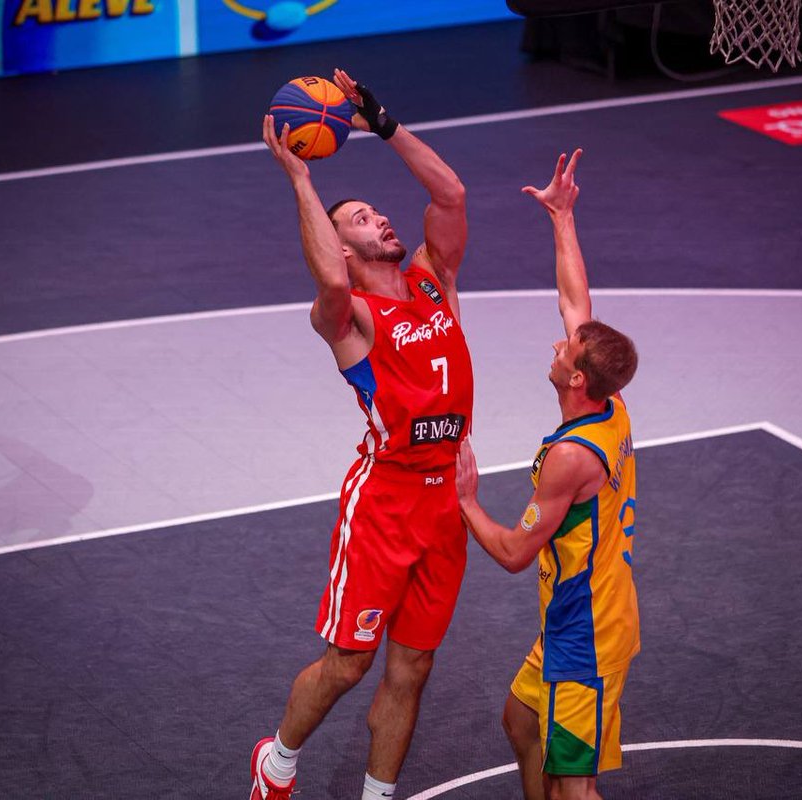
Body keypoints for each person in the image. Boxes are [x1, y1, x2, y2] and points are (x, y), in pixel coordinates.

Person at [254, 69, 472, 800]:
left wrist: (384, 123)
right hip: (384, 503)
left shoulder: (433, 279)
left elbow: (451, 195)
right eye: (360, 219)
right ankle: (277, 763)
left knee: (413, 668)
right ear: (341, 248)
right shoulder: (347, 318)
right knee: (349, 663)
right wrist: (301, 180)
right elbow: (328, 280)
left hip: (445, 504)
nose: (379, 218)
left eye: (377, 212)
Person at [455, 150, 639, 800]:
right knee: (521, 721)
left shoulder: (570, 458)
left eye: (567, 349)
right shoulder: (610, 405)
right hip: (581, 618)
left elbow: (513, 552)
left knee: (572, 790)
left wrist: (467, 500)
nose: (558, 343)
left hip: (584, 634)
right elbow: (574, 299)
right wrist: (562, 217)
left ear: (577, 378)